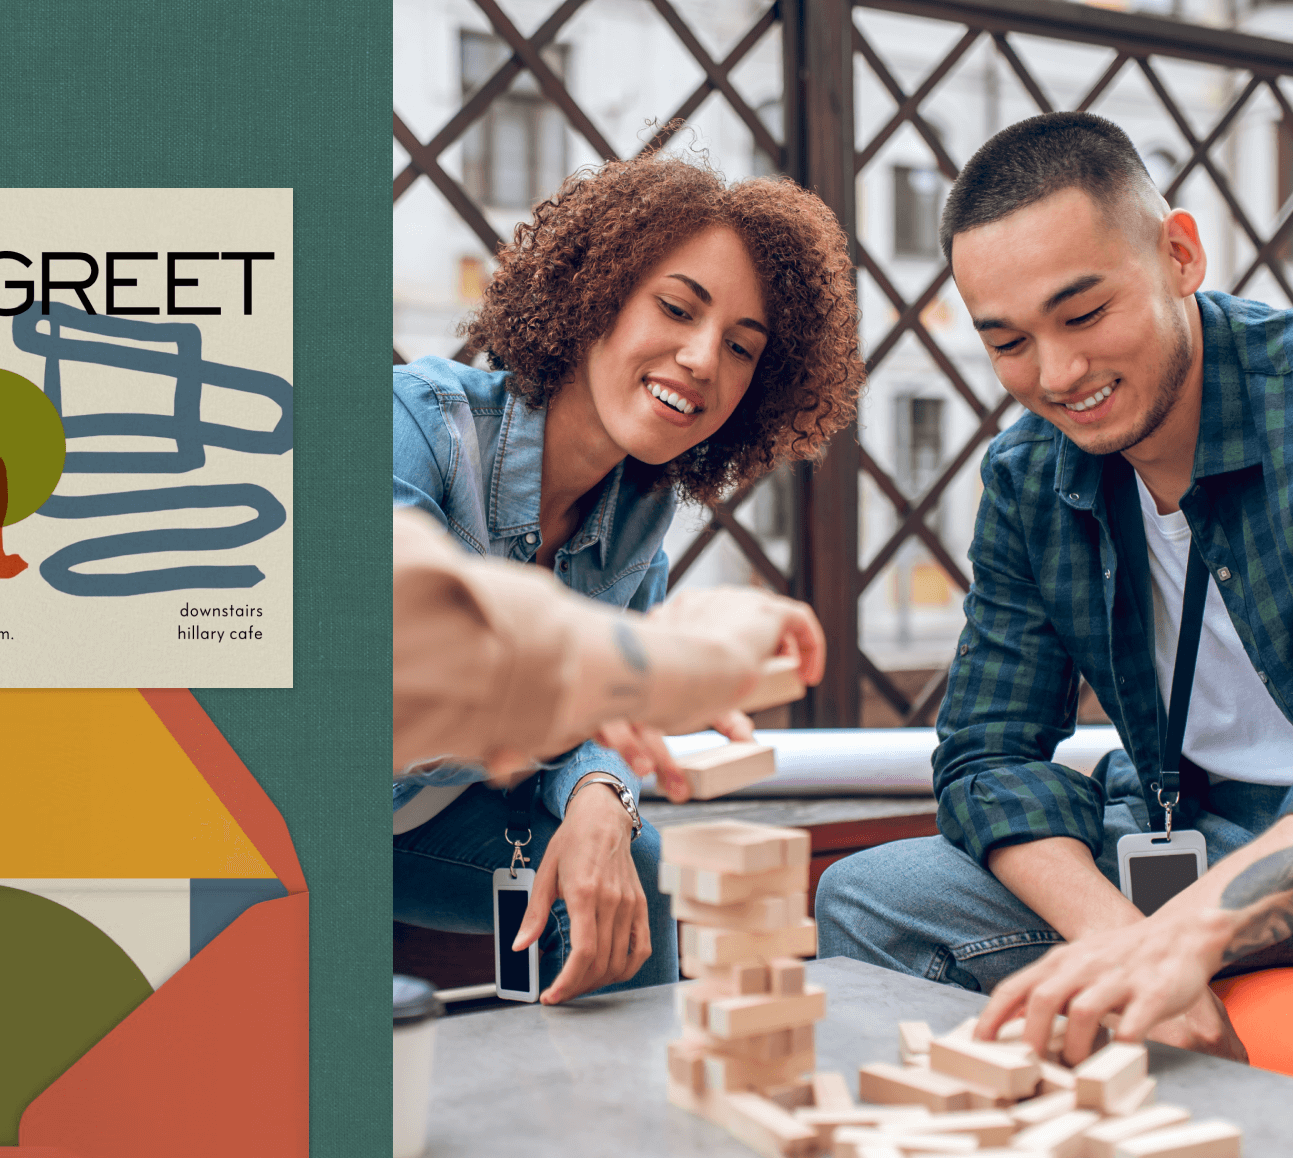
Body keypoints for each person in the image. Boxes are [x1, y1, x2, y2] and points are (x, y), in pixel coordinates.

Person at [814, 111, 1293, 1063]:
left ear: (1181, 255)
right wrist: (1122, 938)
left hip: (1246, 867)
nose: (1059, 374)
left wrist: (1184, 936)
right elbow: (988, 754)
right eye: (1009, 343)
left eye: (1083, 315)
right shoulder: (1033, 472)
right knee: (869, 895)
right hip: (1186, 825)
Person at [395, 153, 862, 1004]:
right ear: (596, 290)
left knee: (630, 856)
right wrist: (678, 662)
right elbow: (397, 653)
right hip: (264, 813)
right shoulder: (417, 426)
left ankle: (623, 1122)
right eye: (677, 308)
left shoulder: (638, 517)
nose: (700, 358)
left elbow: (599, 729)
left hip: (417, 832)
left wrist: (604, 795)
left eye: (741, 348)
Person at [393, 505, 826, 776]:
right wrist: (709, 657)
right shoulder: (428, 416)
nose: (701, 362)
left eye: (738, 351)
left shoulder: (646, 507)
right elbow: (486, 651)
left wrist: (599, 782)